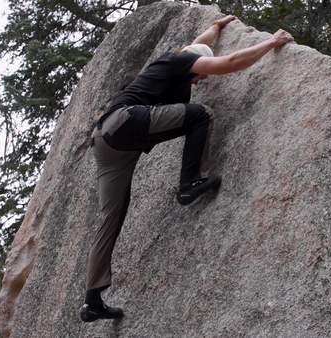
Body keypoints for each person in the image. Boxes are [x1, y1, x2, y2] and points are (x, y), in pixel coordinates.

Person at [80, 15, 294, 322]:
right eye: (200, 77)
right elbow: (230, 62)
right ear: (195, 65)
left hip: (106, 142)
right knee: (201, 114)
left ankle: (92, 301)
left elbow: (202, 41)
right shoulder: (182, 61)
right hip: (125, 122)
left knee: (112, 217)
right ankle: (188, 183)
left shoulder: (180, 58)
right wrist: (271, 42)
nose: (200, 81)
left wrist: (218, 26)